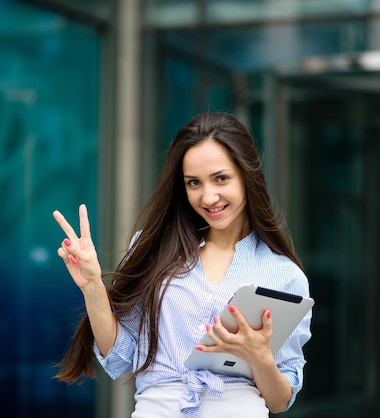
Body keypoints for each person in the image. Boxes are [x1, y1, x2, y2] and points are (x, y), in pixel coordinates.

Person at [52, 112, 312, 418]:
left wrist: (260, 359)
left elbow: (280, 400)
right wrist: (93, 286)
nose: (208, 196)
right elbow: (122, 358)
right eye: (193, 183)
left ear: (247, 174)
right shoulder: (155, 248)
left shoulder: (284, 275)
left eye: (221, 178)